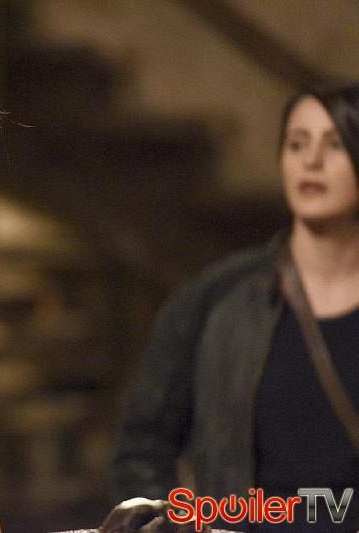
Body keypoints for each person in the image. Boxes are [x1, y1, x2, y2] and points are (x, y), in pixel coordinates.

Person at [113, 83, 359, 531]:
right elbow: (143, 446)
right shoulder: (219, 297)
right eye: (297, 144)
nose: (311, 161)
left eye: (335, 144)